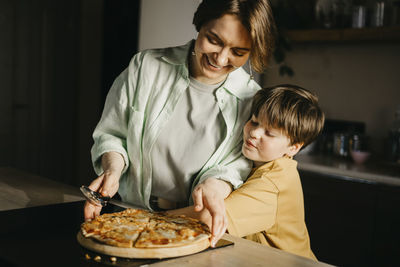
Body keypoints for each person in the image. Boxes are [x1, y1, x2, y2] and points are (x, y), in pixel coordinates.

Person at [84, 0, 276, 247]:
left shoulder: (252, 99)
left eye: (238, 52)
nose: (220, 57)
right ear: (200, 24)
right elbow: (113, 134)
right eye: (214, 40)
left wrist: (216, 186)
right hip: (129, 213)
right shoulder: (146, 67)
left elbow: (235, 163)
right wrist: (112, 170)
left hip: (193, 225)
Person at [170, 84, 324, 259]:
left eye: (269, 133)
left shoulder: (274, 182)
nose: (255, 133)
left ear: (293, 148)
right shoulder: (257, 162)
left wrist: (147, 218)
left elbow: (208, 218)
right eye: (254, 121)